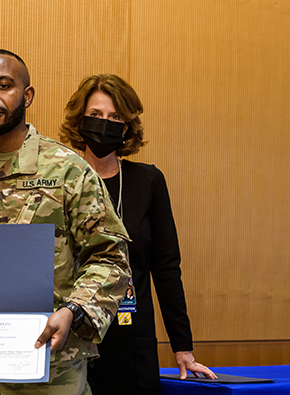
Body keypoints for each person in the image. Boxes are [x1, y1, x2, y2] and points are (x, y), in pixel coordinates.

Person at [0, 50, 131, 395]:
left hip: (50, 372)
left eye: (4, 85)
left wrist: (74, 311)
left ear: (27, 96)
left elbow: (110, 258)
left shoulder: (67, 171)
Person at [60, 74, 216, 394]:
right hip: (71, 338)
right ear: (80, 121)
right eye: (96, 115)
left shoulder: (148, 182)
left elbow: (166, 268)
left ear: (128, 126)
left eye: (115, 117)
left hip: (131, 340)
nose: (105, 124)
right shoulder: (61, 180)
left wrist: (182, 349)